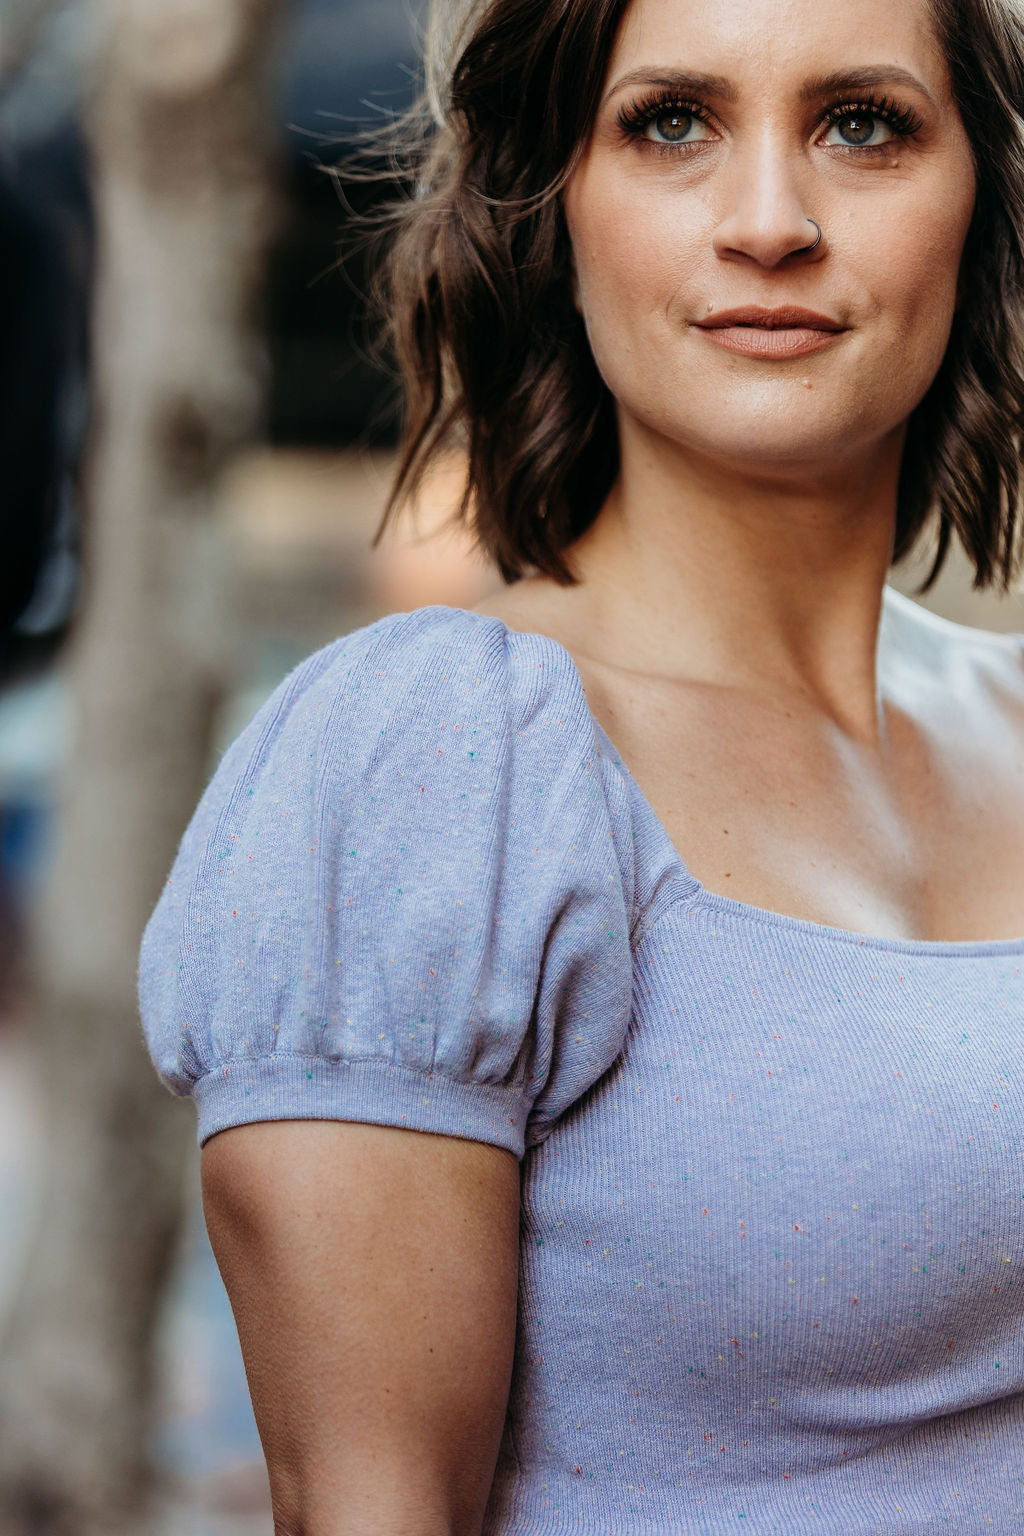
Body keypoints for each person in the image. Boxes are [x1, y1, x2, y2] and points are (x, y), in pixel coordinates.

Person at [138, 0, 1024, 1529]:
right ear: (548, 204)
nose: (771, 221)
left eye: (862, 124)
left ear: (981, 193)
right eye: (670, 122)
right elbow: (373, 1505)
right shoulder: (438, 760)